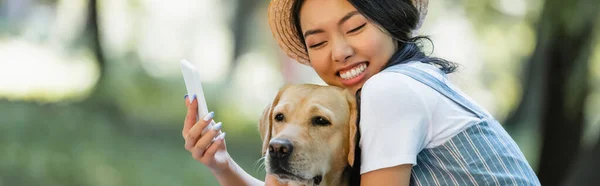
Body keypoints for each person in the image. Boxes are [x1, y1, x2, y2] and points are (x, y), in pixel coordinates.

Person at [181, 0, 541, 185]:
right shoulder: (406, 81)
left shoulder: (390, 91)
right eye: (318, 41)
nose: (338, 52)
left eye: (354, 28)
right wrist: (221, 164)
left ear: (389, 19)